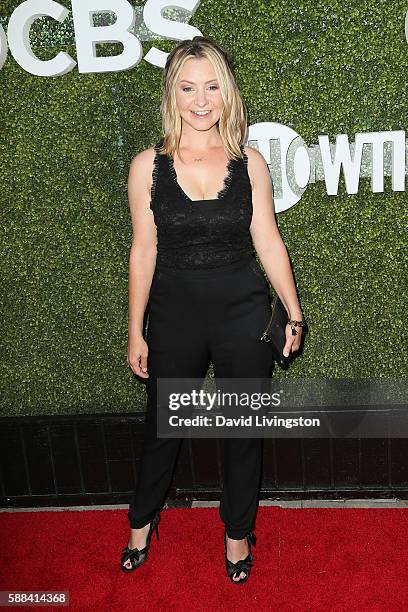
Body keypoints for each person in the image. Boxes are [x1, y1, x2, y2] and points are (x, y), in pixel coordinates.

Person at [120, 36, 305, 583]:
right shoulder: (146, 166)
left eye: (212, 87)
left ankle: (237, 534)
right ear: (171, 94)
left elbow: (268, 239)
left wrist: (293, 312)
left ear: (227, 94)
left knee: (243, 431)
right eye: (187, 87)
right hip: (174, 316)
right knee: (163, 427)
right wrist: (135, 331)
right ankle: (139, 522)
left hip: (243, 316)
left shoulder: (250, 162)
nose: (201, 100)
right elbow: (142, 250)